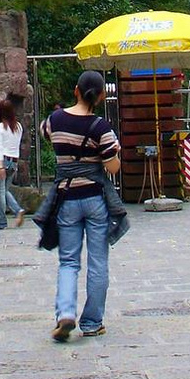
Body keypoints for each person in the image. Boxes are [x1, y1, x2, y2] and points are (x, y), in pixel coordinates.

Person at [40, 70, 121, 341]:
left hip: (67, 199)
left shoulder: (55, 120)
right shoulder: (101, 127)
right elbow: (112, 166)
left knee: (68, 261)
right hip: (95, 199)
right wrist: (111, 154)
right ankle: (92, 322)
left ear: (75, 90)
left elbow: (46, 135)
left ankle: (65, 313)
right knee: (98, 261)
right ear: (99, 96)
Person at [0, 98, 26, 231]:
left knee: (0, 192)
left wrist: (0, 166)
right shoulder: (18, 127)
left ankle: (2, 222)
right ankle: (17, 210)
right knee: (5, 190)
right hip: (14, 161)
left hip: (3, 160)